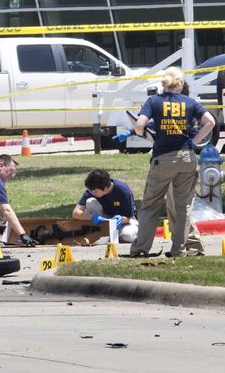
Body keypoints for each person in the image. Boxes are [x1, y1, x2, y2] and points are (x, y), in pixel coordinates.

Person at [126, 67, 215, 257]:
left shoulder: (154, 101)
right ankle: (178, 249)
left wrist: (143, 133)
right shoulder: (190, 102)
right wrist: (194, 141)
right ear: (180, 83)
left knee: (150, 204)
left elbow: (139, 125)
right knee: (183, 206)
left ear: (164, 83)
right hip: (186, 156)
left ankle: (140, 248)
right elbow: (210, 122)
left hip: (163, 158)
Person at [72, 169, 138, 243]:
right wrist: (92, 217)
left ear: (106, 187)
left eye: (95, 190)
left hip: (124, 221)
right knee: (90, 201)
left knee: (127, 236)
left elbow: (128, 217)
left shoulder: (124, 191)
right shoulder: (92, 190)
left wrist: (119, 219)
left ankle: (106, 235)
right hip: (103, 219)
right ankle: (102, 232)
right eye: (91, 189)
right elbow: (75, 213)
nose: (92, 192)